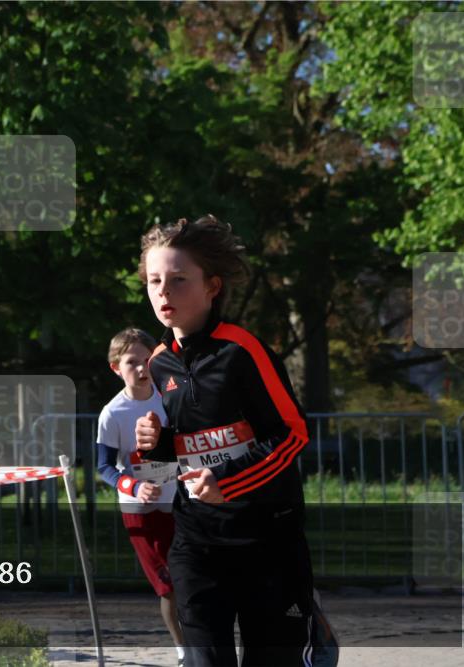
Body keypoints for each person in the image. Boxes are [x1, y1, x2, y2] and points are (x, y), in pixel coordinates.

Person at [134, 215, 316, 667]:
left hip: (267, 536)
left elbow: (291, 433)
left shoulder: (243, 351)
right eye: (155, 280)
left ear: (213, 286)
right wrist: (156, 444)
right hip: (197, 539)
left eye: (178, 280)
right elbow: (186, 445)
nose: (163, 292)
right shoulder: (159, 364)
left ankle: (313, 631)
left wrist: (228, 482)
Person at [97, 327, 185, 666]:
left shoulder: (170, 397)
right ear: (116, 368)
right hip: (141, 510)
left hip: (181, 500)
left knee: (192, 576)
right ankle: (183, 651)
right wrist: (134, 487)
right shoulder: (112, 413)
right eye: (132, 362)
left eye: (147, 360)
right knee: (169, 585)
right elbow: (105, 467)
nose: (141, 368)